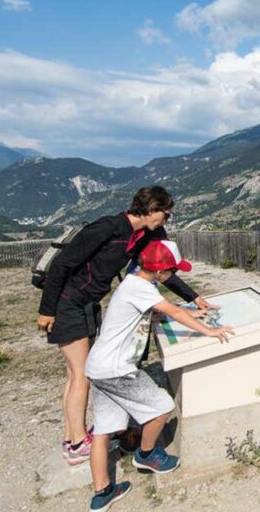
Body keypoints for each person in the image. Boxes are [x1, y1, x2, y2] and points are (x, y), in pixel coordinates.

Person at [36, 186, 219, 465]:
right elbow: (63, 264)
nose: (166, 222)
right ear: (150, 209)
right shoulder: (107, 228)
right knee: (80, 374)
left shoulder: (147, 235)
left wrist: (193, 297)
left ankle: (76, 435)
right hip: (68, 303)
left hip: (89, 303)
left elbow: (164, 269)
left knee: (78, 374)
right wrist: (48, 310)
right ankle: (75, 443)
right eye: (165, 215)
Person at [85, 239, 233, 512]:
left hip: (97, 367)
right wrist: (208, 331)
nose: (173, 275)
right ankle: (146, 455)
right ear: (161, 270)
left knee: (103, 430)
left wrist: (190, 313)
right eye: (172, 271)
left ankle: (102, 493)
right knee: (162, 408)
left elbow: (146, 316)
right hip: (118, 370)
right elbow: (172, 310)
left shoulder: (133, 283)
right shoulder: (141, 287)